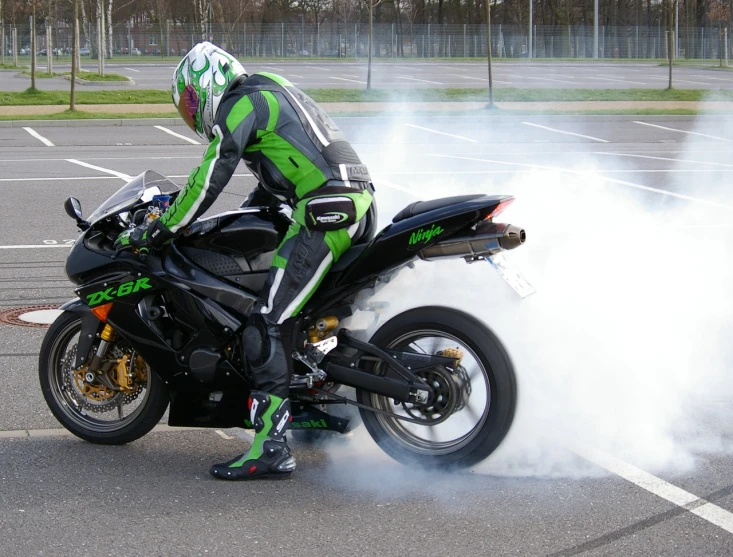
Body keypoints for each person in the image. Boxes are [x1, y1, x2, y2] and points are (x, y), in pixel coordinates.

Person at [115, 42, 376, 480]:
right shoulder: (270, 87)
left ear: (212, 81)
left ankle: (271, 448)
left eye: (192, 100)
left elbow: (209, 178)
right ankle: (319, 409)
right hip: (351, 203)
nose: (192, 111)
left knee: (266, 323)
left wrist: (163, 228)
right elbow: (279, 175)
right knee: (300, 316)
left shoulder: (241, 104)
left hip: (326, 211)